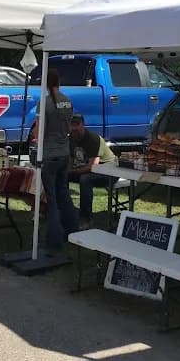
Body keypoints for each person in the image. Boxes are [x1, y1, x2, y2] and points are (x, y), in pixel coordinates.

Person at [38, 69, 78, 252]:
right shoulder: (67, 101)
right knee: (64, 193)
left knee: (52, 199)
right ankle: (72, 230)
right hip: (64, 153)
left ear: (46, 84)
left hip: (50, 154)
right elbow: (69, 125)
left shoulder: (44, 103)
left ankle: (53, 240)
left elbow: (40, 131)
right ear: (59, 82)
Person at [68, 113, 116, 224]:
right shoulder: (71, 139)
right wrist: (66, 170)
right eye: (72, 125)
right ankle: (65, 210)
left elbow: (92, 166)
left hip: (108, 171)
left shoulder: (93, 138)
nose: (75, 128)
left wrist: (72, 171)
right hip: (87, 170)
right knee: (61, 176)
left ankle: (86, 218)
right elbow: (70, 161)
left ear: (83, 125)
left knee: (85, 179)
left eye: (77, 125)